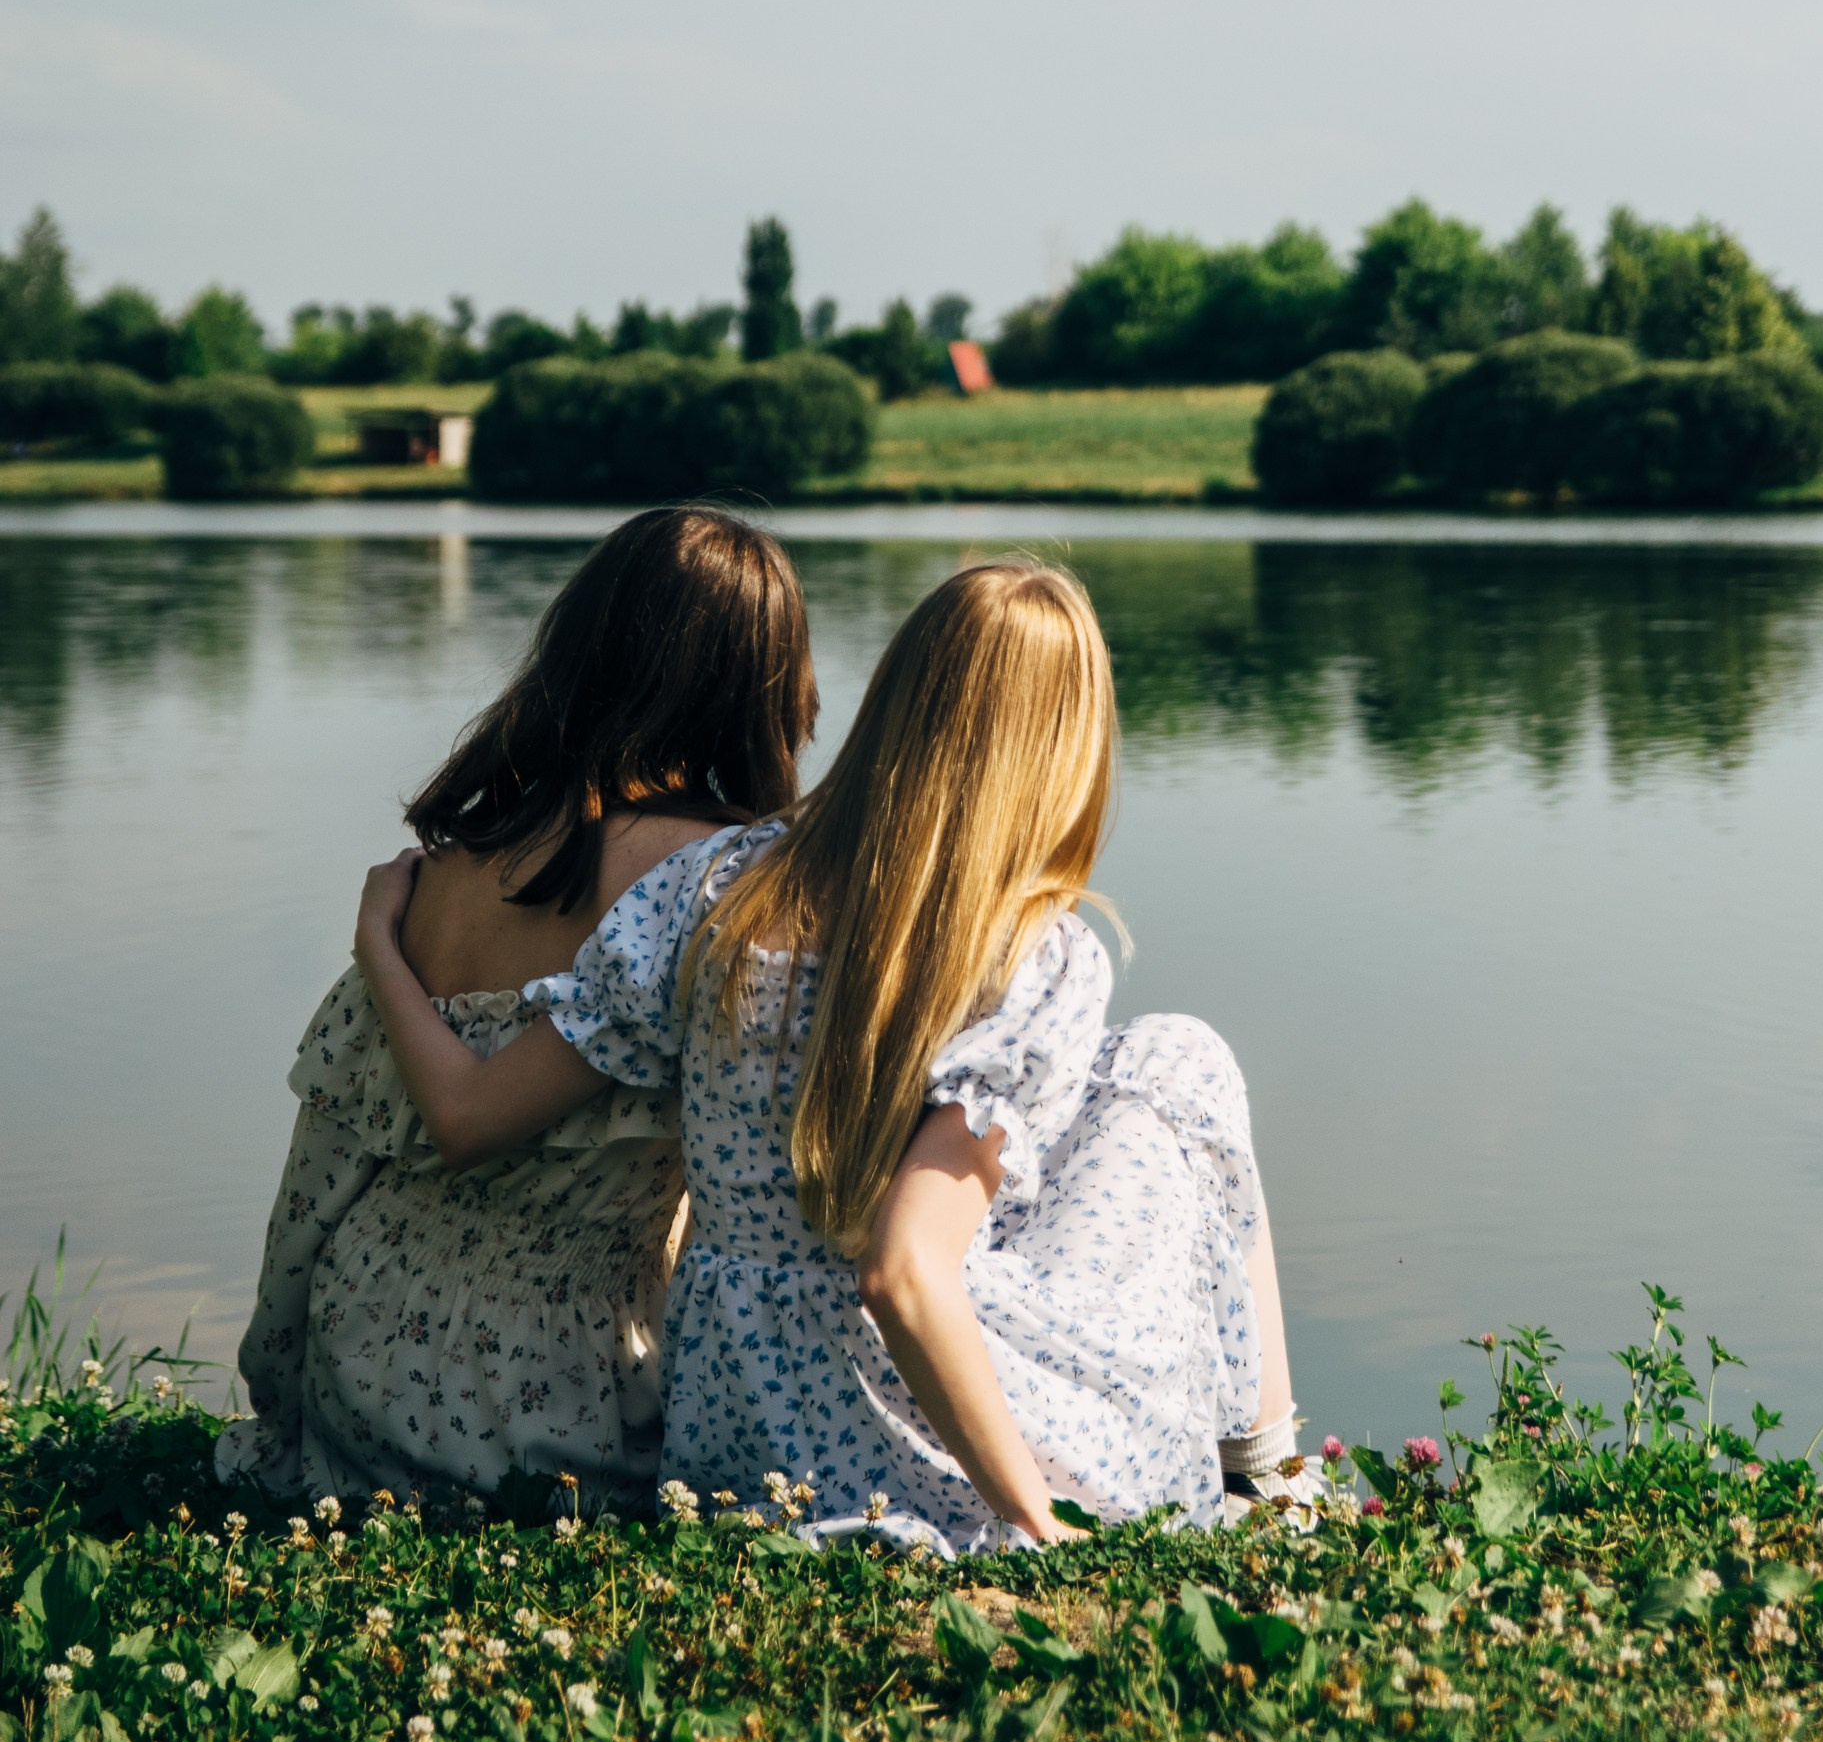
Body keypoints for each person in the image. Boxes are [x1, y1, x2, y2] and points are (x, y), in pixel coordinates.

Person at [354, 558, 1301, 1551]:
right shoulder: (1032, 949)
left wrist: (382, 945)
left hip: (737, 1448)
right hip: (934, 1444)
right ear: (1065, 747)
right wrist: (1035, 1519)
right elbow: (901, 1273)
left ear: (894, 698)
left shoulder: (712, 887)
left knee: (1116, 1079)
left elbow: (463, 1117)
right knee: (1179, 1056)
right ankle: (1270, 1470)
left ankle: (1266, 1466)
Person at [218, 505, 817, 1508]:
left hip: (359, 1382)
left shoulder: (442, 872)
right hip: (562, 1408)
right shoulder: (728, 885)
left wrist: (282, 1393)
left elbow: (316, 1182)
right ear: (765, 682)